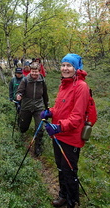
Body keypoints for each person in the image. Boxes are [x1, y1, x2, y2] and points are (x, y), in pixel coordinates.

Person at [41, 53, 90, 208]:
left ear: (76, 68)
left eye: (69, 65)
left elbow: (77, 117)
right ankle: (63, 195)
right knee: (60, 167)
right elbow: (62, 108)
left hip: (71, 137)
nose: (65, 68)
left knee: (69, 171)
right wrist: (51, 111)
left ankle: (72, 201)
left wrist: (59, 126)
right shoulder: (64, 84)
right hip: (58, 136)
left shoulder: (81, 87)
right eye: (63, 65)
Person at [16, 62, 49, 157]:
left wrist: (47, 107)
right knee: (24, 127)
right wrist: (18, 95)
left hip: (38, 108)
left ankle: (37, 147)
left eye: (36, 72)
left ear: (39, 72)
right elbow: (19, 91)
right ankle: (21, 131)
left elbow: (45, 95)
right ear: (30, 71)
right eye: (33, 71)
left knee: (39, 128)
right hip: (26, 107)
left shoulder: (42, 81)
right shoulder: (25, 80)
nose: (34, 73)